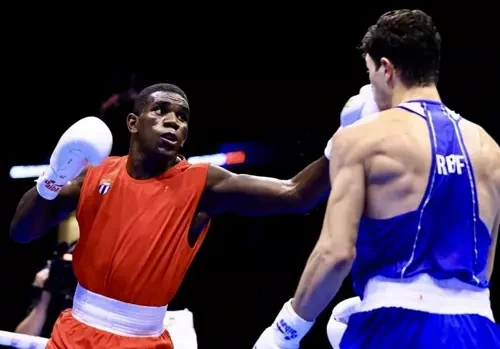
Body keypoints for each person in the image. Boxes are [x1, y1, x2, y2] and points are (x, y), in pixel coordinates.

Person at [10, 83, 332, 348]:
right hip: (73, 334)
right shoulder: (95, 175)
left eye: (182, 117)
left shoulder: (203, 184)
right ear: (133, 124)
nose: (174, 121)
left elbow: (296, 194)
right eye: (161, 111)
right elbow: (21, 232)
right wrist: (52, 177)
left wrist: (341, 146)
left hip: (143, 341)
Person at [253, 9, 500, 348]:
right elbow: (484, 267)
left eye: (369, 73)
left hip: (397, 326)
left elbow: (336, 254)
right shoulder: (490, 147)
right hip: (479, 329)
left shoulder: (361, 139)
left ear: (386, 68)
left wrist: (285, 331)